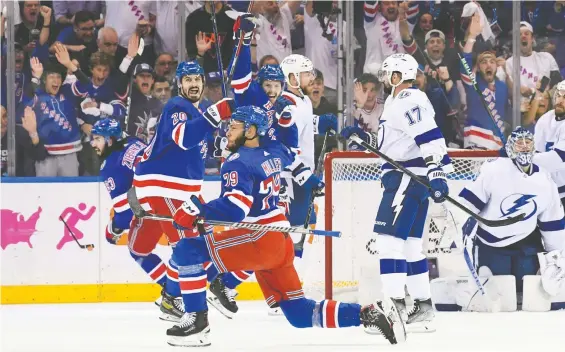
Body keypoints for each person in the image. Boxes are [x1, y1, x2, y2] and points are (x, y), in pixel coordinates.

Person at [168, 105, 405, 347]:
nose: (228, 131)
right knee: (299, 313)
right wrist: (286, 123)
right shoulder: (274, 152)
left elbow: (235, 208)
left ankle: (197, 323)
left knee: (187, 250)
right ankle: (367, 313)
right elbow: (289, 149)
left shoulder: (237, 163)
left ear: (250, 131)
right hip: (280, 243)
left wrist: (196, 207)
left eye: (234, 126)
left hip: (258, 239)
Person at [340, 53, 451, 332]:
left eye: (389, 74)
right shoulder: (398, 101)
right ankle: (422, 308)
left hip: (406, 178)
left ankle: (394, 308)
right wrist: (367, 141)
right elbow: (398, 144)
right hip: (409, 178)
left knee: (388, 241)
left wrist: (436, 171)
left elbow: (430, 137)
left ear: (398, 75)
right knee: (411, 244)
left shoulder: (407, 100)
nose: (385, 80)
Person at [132, 60, 246, 323]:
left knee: (202, 240)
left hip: (182, 189)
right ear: (179, 84)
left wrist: (224, 144)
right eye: (188, 79)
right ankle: (173, 299)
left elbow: (204, 144)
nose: (194, 84)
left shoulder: (197, 109)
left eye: (197, 79)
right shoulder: (177, 106)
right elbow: (184, 138)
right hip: (164, 185)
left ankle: (182, 294)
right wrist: (217, 112)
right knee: (186, 245)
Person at [458, 127, 565, 301]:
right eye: (519, 143)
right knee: (500, 296)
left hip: (526, 244)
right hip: (491, 244)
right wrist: (464, 227)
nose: (524, 146)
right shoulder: (493, 170)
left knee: (527, 294)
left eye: (528, 142)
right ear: (509, 148)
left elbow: (552, 223)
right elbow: (467, 204)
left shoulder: (544, 180)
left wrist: (557, 257)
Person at [91, 118, 171, 308]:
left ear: (110, 140)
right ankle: (213, 283)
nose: (93, 143)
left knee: (138, 250)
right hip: (175, 193)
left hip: (156, 207)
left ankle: (173, 292)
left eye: (97, 139)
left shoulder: (110, 167)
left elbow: (126, 215)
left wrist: (113, 230)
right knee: (189, 245)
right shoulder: (134, 141)